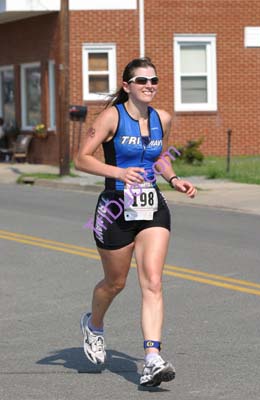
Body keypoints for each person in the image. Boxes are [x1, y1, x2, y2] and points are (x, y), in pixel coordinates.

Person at [75, 57, 197, 387]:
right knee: (115, 283)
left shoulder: (163, 118)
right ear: (127, 85)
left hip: (151, 205)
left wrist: (174, 179)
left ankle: (152, 359)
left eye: (154, 80)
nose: (149, 85)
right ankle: (94, 324)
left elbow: (159, 157)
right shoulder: (112, 117)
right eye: (142, 80)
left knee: (153, 281)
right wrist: (118, 172)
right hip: (115, 208)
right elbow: (81, 157)